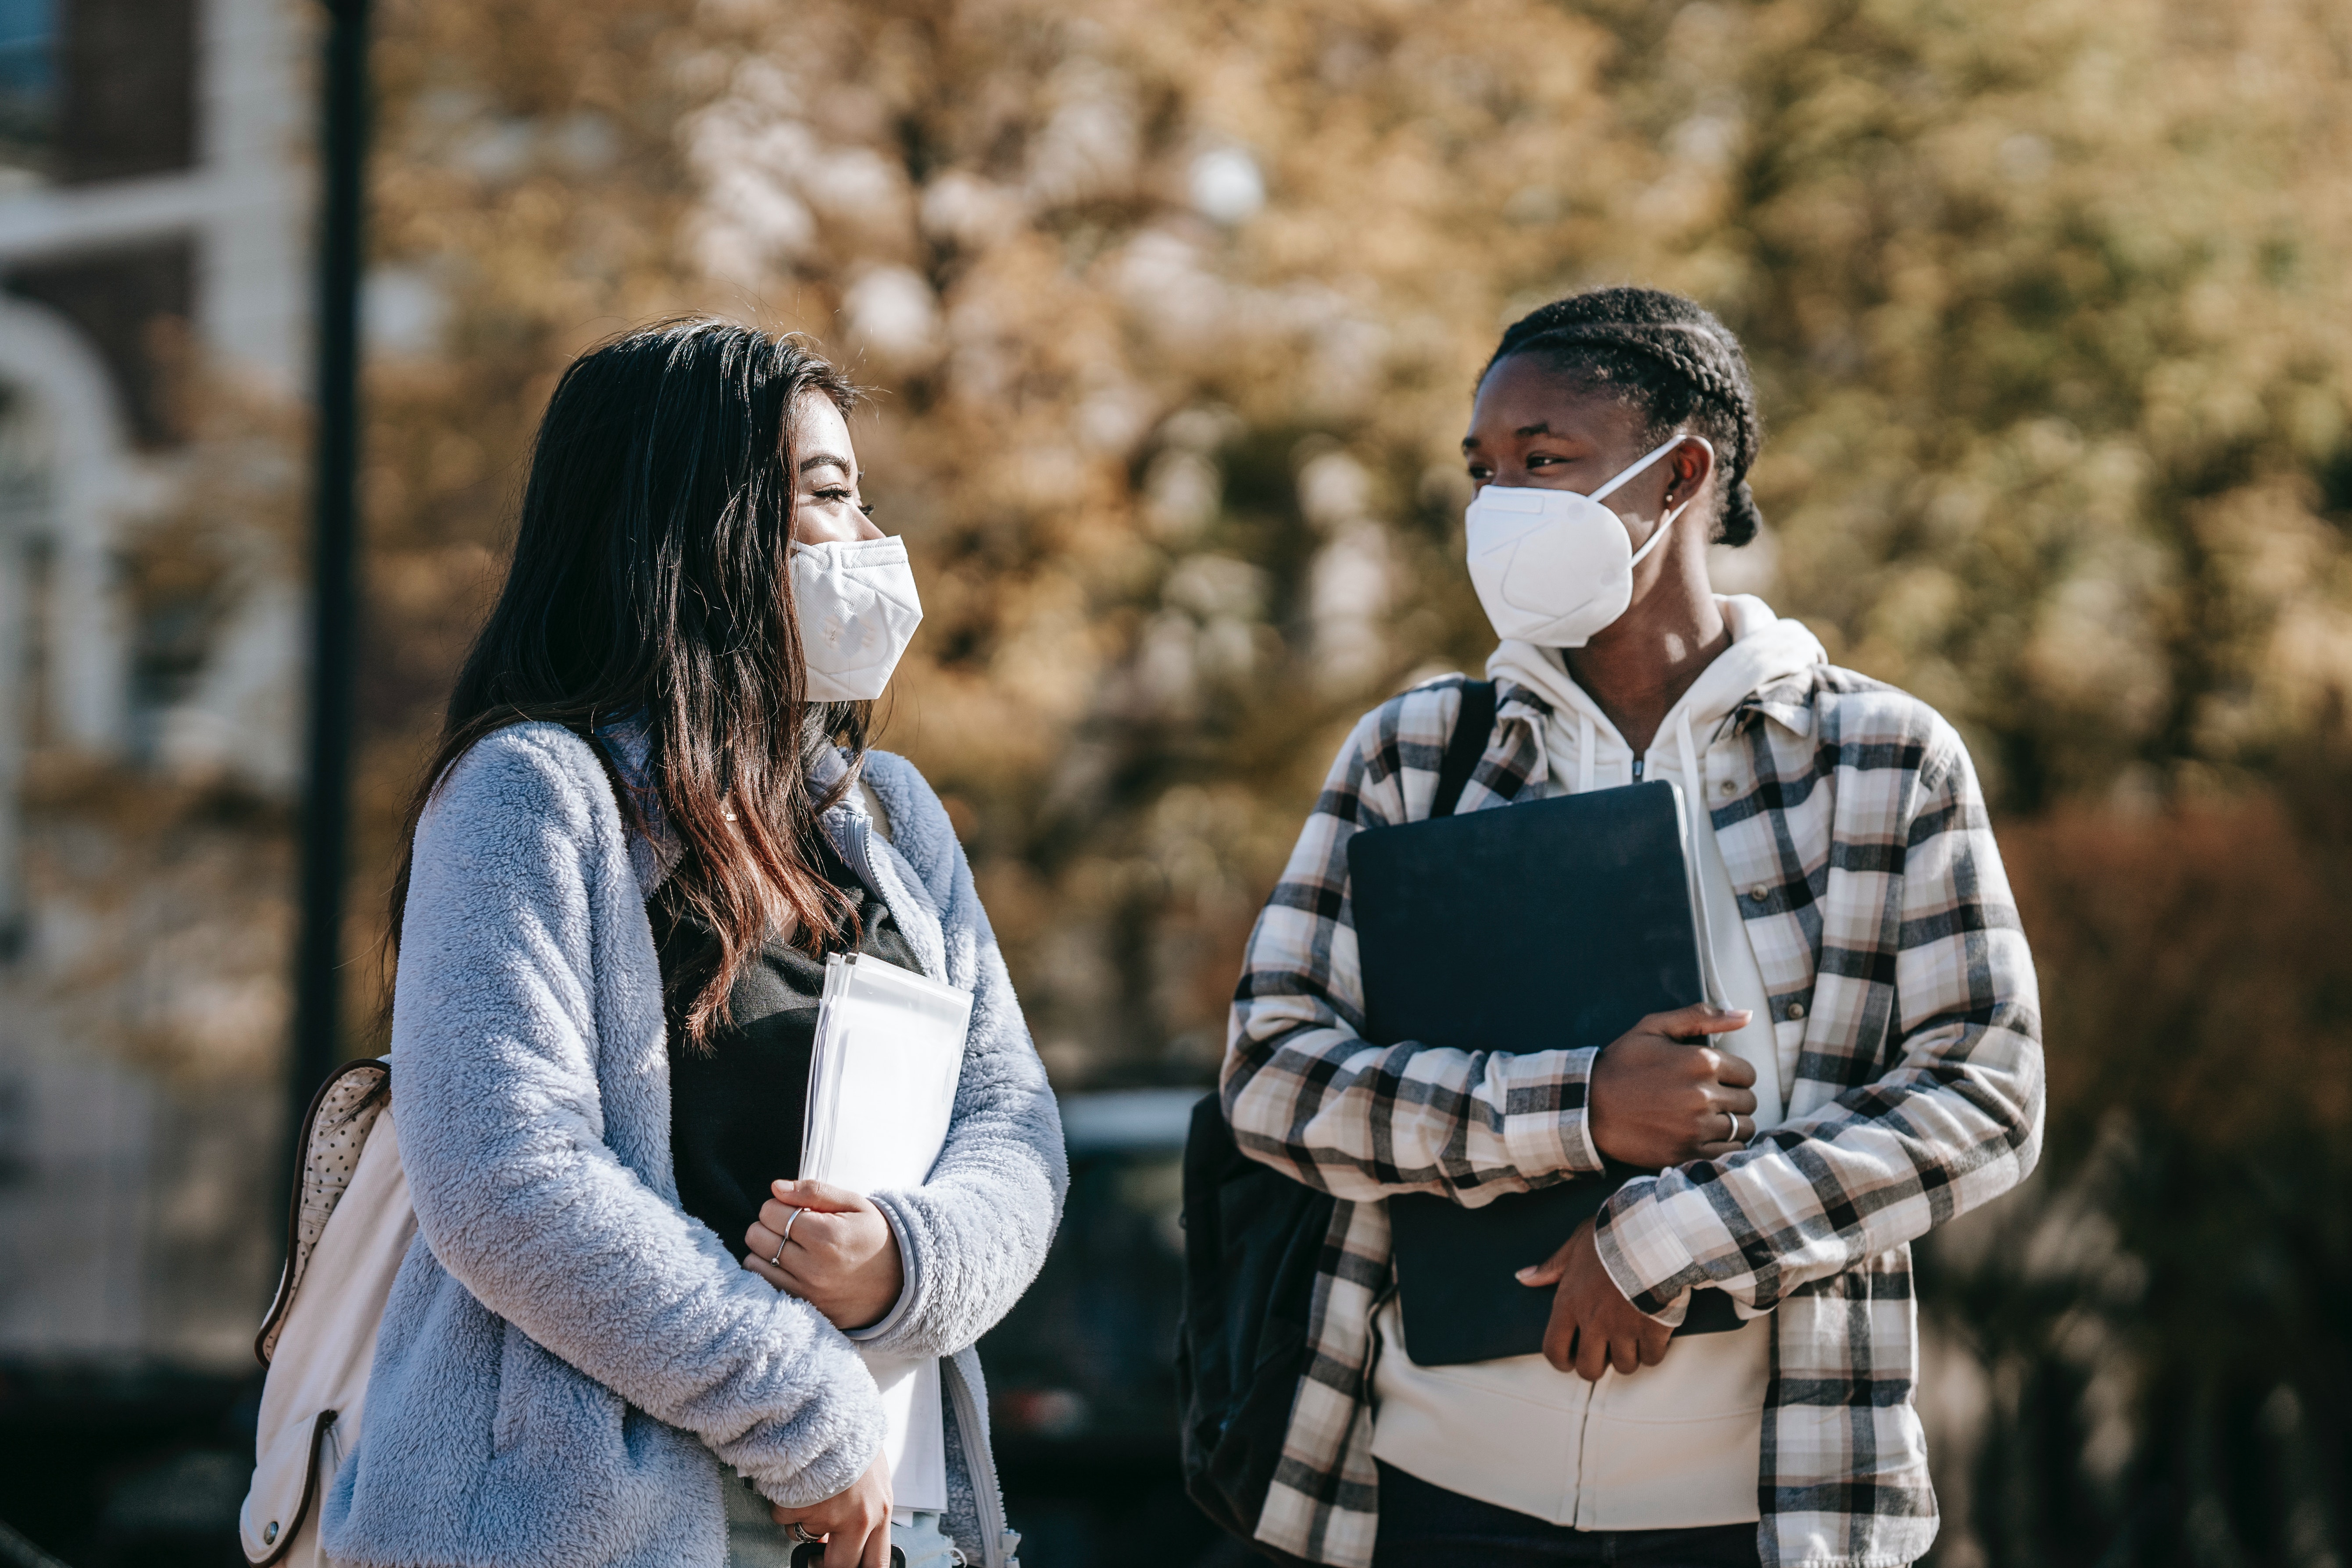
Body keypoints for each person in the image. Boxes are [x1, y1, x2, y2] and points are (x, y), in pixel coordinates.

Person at [1222, 287, 2044, 1568]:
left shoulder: (1879, 761)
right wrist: (1580, 1109)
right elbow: (1270, 1075)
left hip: (1759, 1510)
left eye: (1544, 463)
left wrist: (1664, 1240)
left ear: (1680, 477)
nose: (1500, 504)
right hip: (1434, 1494)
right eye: (1482, 471)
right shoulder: (1414, 752)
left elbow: (1980, 1094)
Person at [321, 320, 1065, 1568]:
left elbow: (1014, 1124)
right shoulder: (529, 794)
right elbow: (509, 1182)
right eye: (827, 496)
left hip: (894, 1505)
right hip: (593, 1522)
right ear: (700, 531)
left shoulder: (891, 816)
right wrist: (809, 1422)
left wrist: (907, 1262)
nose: (872, 541)